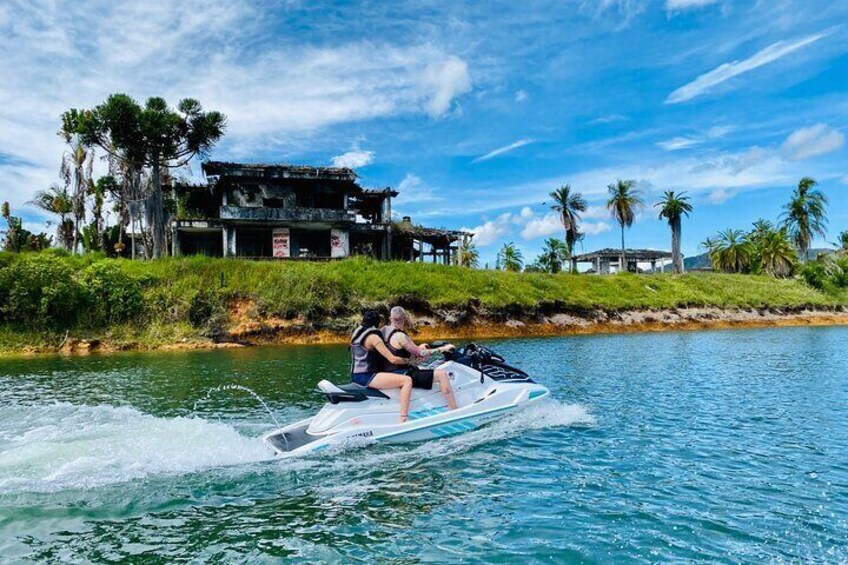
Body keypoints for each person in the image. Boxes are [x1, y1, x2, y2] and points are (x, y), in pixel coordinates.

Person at [381, 306, 458, 411]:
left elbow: (401, 350)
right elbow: (421, 354)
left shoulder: (383, 332)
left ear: (390, 318)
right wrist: (443, 348)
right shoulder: (400, 336)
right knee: (442, 374)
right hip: (403, 373)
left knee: (422, 365)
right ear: (404, 318)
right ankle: (454, 409)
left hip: (389, 372)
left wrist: (418, 348)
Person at [350, 310, 415, 422]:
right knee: (407, 381)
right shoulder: (373, 338)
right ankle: (403, 418)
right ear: (377, 323)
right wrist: (409, 361)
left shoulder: (356, 332)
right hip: (367, 376)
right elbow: (392, 359)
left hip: (355, 375)